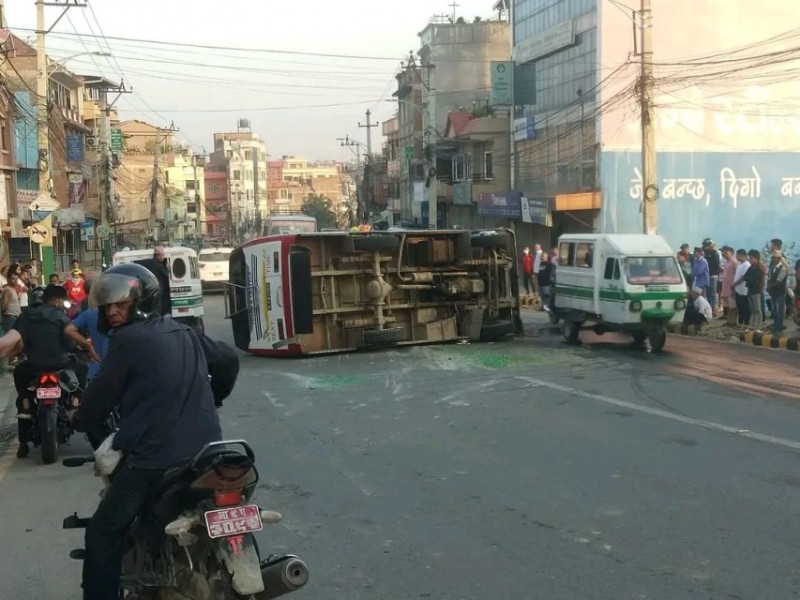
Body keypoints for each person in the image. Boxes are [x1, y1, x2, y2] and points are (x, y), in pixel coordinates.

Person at [68, 263, 239, 599]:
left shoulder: (127, 342)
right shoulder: (183, 331)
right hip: (207, 454)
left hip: (156, 459)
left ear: (141, 301)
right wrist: (213, 397)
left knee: (103, 532)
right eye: (108, 305)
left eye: (121, 304)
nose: (113, 311)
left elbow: (101, 397)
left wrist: (79, 419)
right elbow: (228, 361)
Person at [0, 284, 98, 458]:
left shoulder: (25, 316)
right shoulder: (61, 318)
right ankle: (75, 401)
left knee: (19, 373)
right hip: (60, 364)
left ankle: (26, 404)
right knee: (82, 368)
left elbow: (17, 342)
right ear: (57, 300)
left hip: (34, 366)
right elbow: (70, 343)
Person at [135, 245, 171, 317]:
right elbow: (166, 275)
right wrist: (167, 267)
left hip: (146, 292)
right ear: (158, 255)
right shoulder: (159, 266)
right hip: (157, 291)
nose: (163, 257)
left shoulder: (147, 262)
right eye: (163, 255)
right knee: (157, 311)